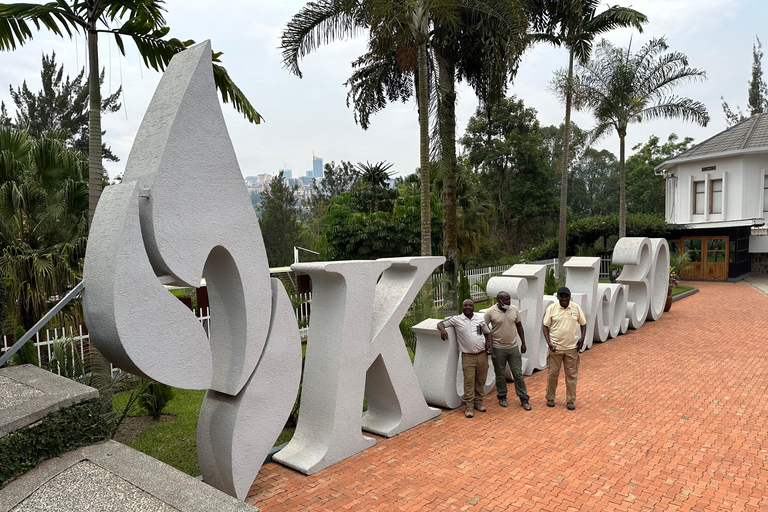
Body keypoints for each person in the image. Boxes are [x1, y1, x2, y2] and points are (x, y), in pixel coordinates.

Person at [437, 299, 493, 418]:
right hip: (468, 356)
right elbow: (441, 323)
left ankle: (478, 403)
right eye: (465, 305)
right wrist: (442, 330)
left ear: (473, 307)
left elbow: (488, 332)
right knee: (469, 381)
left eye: (470, 305)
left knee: (481, 380)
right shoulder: (456, 319)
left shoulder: (479, 319)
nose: (468, 307)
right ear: (462, 307)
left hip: (482, 354)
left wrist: (490, 345)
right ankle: (469, 406)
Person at [484, 291, 531, 410]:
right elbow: (482, 327)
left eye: (509, 299)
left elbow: (519, 326)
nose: (509, 302)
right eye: (506, 300)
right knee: (500, 374)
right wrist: (487, 342)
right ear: (499, 301)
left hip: (513, 347)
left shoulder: (514, 309)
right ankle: (502, 396)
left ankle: (524, 398)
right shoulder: (490, 312)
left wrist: (523, 343)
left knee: (517, 373)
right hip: (498, 349)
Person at [542, 287, 587, 411]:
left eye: (566, 296)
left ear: (570, 297)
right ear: (558, 297)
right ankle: (550, 398)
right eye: (561, 296)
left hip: (572, 349)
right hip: (555, 349)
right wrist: (549, 342)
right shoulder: (551, 308)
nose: (564, 299)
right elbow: (545, 326)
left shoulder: (576, 308)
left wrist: (582, 338)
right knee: (552, 374)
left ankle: (570, 400)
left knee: (571, 376)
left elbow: (583, 324)